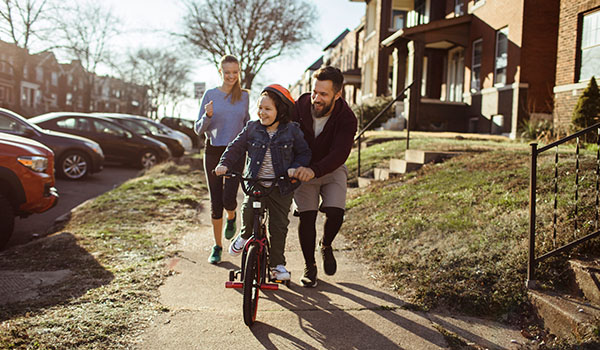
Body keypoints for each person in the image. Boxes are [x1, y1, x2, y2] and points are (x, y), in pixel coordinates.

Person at [215, 84, 311, 281]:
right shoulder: (252, 128)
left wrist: (297, 166)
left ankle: (277, 265)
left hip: (281, 186)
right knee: (248, 211)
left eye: (267, 109)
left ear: (280, 111)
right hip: (256, 183)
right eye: (260, 108)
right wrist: (224, 164)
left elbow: (304, 152)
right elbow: (235, 148)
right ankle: (243, 236)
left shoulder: (291, 131)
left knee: (278, 227)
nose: (262, 112)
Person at [292, 66, 358, 287]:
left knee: (336, 212)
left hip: (331, 168)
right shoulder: (300, 106)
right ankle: (310, 266)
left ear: (337, 95)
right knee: (307, 216)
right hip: (304, 168)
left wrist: (316, 170)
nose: (316, 99)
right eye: (314, 92)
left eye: (323, 94)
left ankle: (326, 244)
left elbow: (340, 153)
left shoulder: (347, 118)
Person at [195, 55, 250, 264]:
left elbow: (247, 125)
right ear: (220, 72)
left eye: (235, 72)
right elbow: (199, 129)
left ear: (239, 72)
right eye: (227, 72)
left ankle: (232, 216)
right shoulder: (210, 95)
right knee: (216, 201)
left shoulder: (244, 97)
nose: (231, 76)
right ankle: (217, 246)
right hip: (213, 151)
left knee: (229, 198)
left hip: (236, 151)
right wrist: (207, 116)